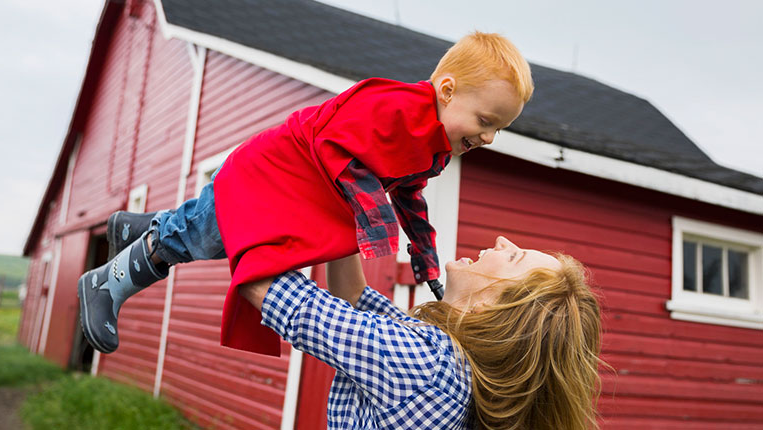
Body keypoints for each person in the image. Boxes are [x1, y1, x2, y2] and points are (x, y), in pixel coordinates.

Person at [77, 31, 534, 355]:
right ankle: (106, 282)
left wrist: (427, 261)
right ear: (448, 91)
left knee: (211, 229)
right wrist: (373, 221)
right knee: (207, 235)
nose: (489, 137)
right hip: (275, 169)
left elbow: (410, 199)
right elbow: (334, 141)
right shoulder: (392, 105)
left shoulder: (433, 147)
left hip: (301, 191)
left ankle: (136, 227)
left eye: (499, 129)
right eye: (485, 121)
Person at [239, 236, 603, 430]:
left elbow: (274, 294)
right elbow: (353, 300)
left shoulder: (426, 363)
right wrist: (343, 214)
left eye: (513, 257)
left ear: (491, 307)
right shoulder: (454, 366)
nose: (502, 240)